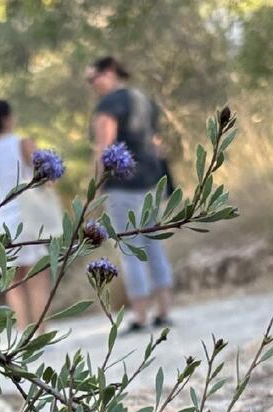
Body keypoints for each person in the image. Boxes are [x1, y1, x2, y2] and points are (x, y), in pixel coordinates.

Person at [86, 56, 174, 329]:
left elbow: (104, 147)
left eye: (94, 77)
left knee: (129, 247)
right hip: (152, 181)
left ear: (110, 72)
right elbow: (156, 142)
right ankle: (164, 310)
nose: (92, 84)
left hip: (122, 185)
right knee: (153, 244)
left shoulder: (109, 105)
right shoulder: (143, 99)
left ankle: (140, 316)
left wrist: (95, 188)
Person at [0, 99, 61, 329]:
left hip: (1, 222)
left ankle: (22, 332)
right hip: (27, 218)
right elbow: (49, 175)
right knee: (37, 277)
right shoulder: (22, 143)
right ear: (5, 119)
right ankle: (41, 332)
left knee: (12, 282)